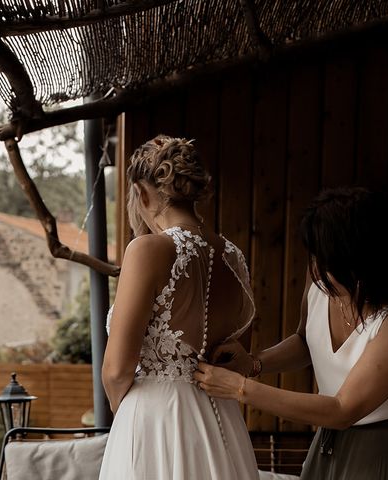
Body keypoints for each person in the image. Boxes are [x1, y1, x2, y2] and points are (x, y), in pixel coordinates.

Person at [195, 187, 388, 479]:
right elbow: (306, 341)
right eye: (314, 256)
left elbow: (343, 409)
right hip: (331, 437)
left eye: (326, 259)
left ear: (361, 259)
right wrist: (253, 364)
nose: (315, 269)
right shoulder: (322, 279)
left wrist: (239, 388)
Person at [99, 135, 259, 479]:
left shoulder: (147, 249)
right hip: (222, 421)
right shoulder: (234, 257)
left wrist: (125, 414)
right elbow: (233, 353)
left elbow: (115, 370)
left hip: (155, 420)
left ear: (142, 193)